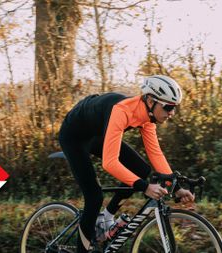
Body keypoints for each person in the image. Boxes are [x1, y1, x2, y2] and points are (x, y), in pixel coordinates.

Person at [58, 75, 195, 252]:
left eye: (174, 108)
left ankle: (106, 217)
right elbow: (110, 163)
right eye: (168, 107)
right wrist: (145, 187)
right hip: (73, 137)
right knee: (94, 197)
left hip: (96, 134)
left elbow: (156, 155)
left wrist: (176, 187)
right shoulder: (122, 111)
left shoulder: (148, 119)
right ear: (151, 100)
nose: (172, 113)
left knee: (142, 169)